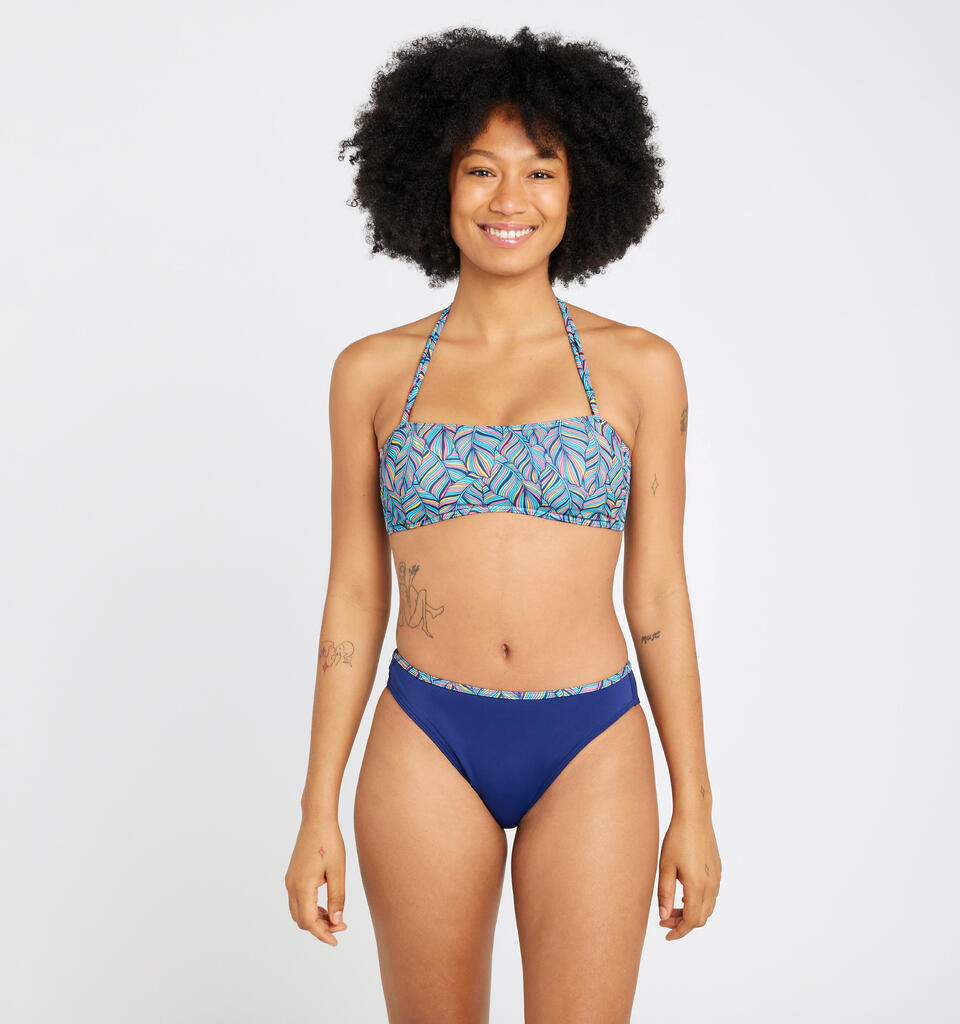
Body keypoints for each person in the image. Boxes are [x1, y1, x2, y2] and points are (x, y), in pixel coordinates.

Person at [285, 25, 722, 1022]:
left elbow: (658, 593)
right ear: (435, 181)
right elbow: (354, 590)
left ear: (583, 187)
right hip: (426, 734)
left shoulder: (642, 369)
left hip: (593, 738)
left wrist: (693, 803)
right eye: (481, 169)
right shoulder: (372, 374)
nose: (509, 199)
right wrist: (316, 806)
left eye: (541, 171)